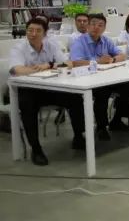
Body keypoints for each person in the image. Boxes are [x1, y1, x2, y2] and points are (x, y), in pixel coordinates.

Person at [8, 18, 84, 166]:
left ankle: (78, 136)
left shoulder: (51, 45)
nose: (33, 34)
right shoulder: (19, 48)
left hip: (49, 87)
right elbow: (17, 69)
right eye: (30, 30)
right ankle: (36, 149)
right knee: (27, 105)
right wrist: (42, 68)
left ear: (45, 33)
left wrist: (48, 65)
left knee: (75, 96)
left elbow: (68, 63)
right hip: (27, 90)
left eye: (38, 31)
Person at [70, 14, 129, 140]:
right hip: (86, 80)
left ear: (104, 28)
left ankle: (116, 120)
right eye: (93, 24)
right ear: (88, 26)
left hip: (105, 77)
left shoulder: (106, 40)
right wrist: (98, 61)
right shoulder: (79, 42)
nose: (96, 27)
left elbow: (122, 55)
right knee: (102, 92)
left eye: (100, 25)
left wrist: (112, 59)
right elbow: (76, 62)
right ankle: (101, 127)